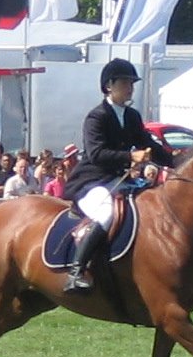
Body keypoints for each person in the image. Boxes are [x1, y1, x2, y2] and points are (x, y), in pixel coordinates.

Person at [60, 58, 173, 292]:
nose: (130, 87)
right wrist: (130, 157)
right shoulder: (97, 116)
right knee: (105, 213)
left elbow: (146, 143)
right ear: (109, 85)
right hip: (92, 181)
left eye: (132, 83)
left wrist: (178, 161)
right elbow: (96, 153)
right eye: (125, 82)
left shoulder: (132, 116)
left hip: (122, 182)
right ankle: (76, 271)